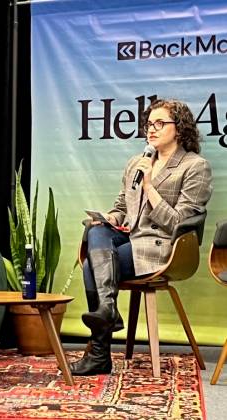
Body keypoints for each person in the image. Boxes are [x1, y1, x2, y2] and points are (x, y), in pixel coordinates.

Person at [71, 99, 213, 376]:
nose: (152, 129)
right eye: (149, 124)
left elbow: (178, 224)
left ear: (180, 129)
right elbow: (122, 206)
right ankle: (108, 310)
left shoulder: (195, 166)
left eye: (160, 124)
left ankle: (100, 350)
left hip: (163, 246)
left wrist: (149, 186)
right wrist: (111, 218)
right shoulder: (137, 162)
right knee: (97, 230)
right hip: (131, 239)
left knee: (91, 266)